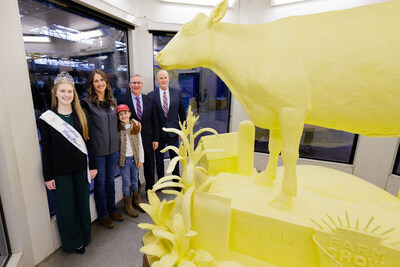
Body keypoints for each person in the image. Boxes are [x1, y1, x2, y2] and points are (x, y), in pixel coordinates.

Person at [39, 71, 97, 254]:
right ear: (55, 93)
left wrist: (93, 165)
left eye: (70, 91)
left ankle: (85, 236)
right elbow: (46, 149)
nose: (66, 95)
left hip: (81, 168)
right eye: (62, 91)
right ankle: (73, 242)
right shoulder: (47, 119)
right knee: (66, 209)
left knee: (82, 204)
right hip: (60, 171)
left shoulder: (82, 114)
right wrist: (47, 176)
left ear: (74, 94)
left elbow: (90, 141)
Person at [81, 69, 124, 229]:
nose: (100, 83)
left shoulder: (112, 102)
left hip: (113, 150)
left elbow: (118, 125)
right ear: (92, 85)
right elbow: (86, 131)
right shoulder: (86, 103)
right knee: (100, 183)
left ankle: (113, 209)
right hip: (98, 152)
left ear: (106, 82)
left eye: (102, 80)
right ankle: (103, 214)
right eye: (96, 81)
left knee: (110, 181)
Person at [118, 74, 159, 194]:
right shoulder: (122, 101)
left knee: (150, 167)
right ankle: (136, 194)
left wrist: (156, 139)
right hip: (131, 142)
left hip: (148, 139)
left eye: (138, 83)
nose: (136, 85)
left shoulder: (150, 100)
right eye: (134, 83)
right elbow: (119, 121)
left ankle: (150, 191)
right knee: (133, 171)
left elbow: (155, 121)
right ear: (130, 85)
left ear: (142, 85)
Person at [148, 70, 186, 179]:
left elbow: (182, 113)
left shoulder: (177, 93)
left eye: (165, 77)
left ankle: (176, 180)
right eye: (161, 78)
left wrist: (182, 131)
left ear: (168, 79)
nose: (163, 80)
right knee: (159, 160)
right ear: (157, 80)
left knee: (175, 158)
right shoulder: (151, 96)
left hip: (174, 133)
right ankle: (161, 179)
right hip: (158, 134)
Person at [116, 104, 144, 217]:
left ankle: (136, 201)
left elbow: (140, 144)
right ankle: (128, 205)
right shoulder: (117, 128)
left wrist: (140, 159)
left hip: (135, 159)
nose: (123, 116)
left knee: (134, 180)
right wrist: (117, 161)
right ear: (118, 116)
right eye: (120, 114)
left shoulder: (136, 127)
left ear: (129, 114)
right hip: (124, 160)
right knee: (126, 183)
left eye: (125, 113)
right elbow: (116, 146)